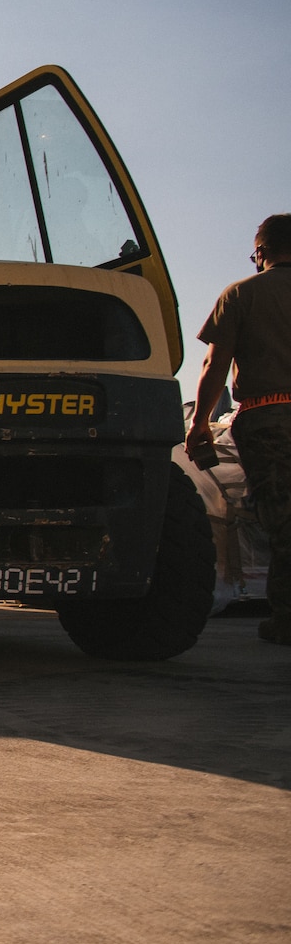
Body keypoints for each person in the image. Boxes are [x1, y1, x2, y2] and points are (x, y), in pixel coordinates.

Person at [187, 213, 291, 644]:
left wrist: (200, 425)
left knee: (283, 521)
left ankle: (286, 620)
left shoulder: (241, 294)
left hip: (270, 419)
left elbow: (215, 363)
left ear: (262, 252)